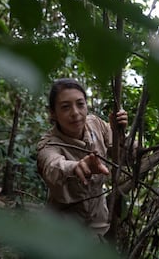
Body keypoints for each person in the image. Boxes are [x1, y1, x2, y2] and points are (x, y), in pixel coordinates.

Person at [37, 78, 128, 236]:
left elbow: (122, 155)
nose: (75, 113)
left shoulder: (96, 125)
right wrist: (76, 167)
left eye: (80, 104)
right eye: (65, 107)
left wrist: (119, 133)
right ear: (53, 113)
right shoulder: (49, 144)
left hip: (98, 222)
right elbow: (52, 167)